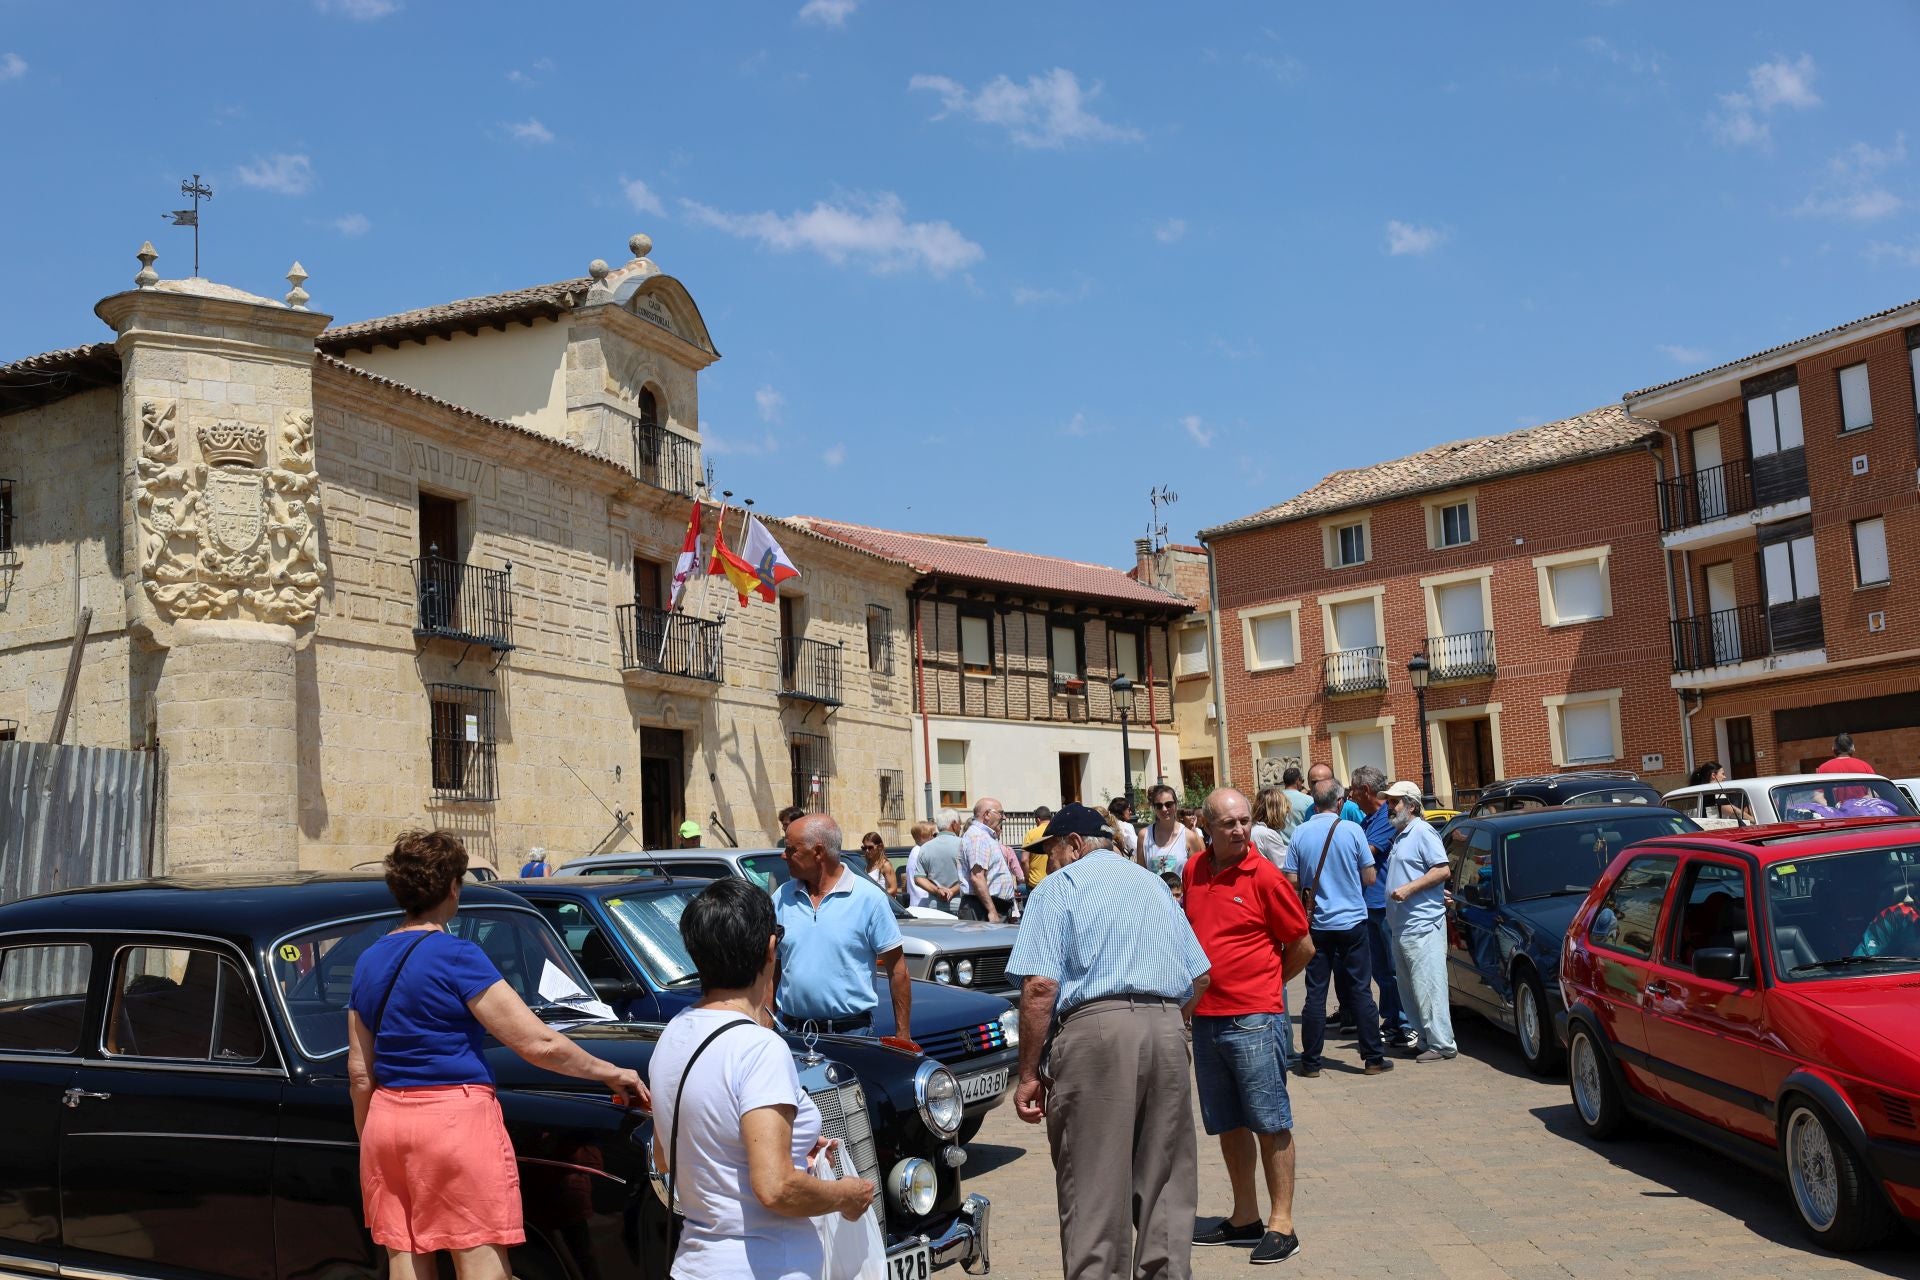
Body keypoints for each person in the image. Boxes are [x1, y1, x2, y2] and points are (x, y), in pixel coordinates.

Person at [347, 830, 648, 1280]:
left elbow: (359, 1072)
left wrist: (372, 1137)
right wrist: (609, 1071)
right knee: (479, 1256)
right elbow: (537, 1044)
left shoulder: (369, 958)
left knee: (406, 1257)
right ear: (452, 887)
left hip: (387, 1120)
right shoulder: (457, 955)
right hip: (453, 1122)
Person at [1007, 803, 1212, 1280]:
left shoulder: (1059, 888)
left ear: (1074, 844)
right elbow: (1199, 975)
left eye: (1051, 851)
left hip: (1096, 1032)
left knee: (1095, 1187)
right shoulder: (1153, 884)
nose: (1048, 862)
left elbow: (1039, 988)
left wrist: (1028, 1075)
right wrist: (1165, 1023)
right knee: (1165, 1183)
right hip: (1166, 1029)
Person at [649, 878, 876, 1279]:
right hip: (767, 1264)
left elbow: (668, 1155)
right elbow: (775, 1187)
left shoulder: (673, 1034)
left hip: (696, 1264)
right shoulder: (759, 1047)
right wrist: (846, 1195)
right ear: (771, 949)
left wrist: (793, 1142)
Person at [1184, 788, 1314, 1265]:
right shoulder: (1194, 870)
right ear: (1206, 826)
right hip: (1207, 1019)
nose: (1239, 830)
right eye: (1228, 824)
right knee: (1227, 1122)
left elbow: (1302, 945)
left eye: (1243, 821)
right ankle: (1244, 1218)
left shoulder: (1265, 876)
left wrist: (1264, 986)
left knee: (1270, 1121)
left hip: (1255, 1019)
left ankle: (1283, 1224)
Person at [773, 814, 916, 1048]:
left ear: (818, 852)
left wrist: (903, 1037)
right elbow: (772, 966)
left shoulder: (869, 899)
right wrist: (766, 1023)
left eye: (791, 850)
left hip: (851, 1037)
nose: (783, 855)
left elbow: (898, 970)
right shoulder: (781, 896)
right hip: (791, 1035)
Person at [1282, 781, 1390, 1076]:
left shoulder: (1301, 833)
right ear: (1339, 801)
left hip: (1316, 923)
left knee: (1315, 993)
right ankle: (1372, 1058)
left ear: (1314, 802)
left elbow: (1290, 879)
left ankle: (1312, 1062)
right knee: (1361, 990)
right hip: (1352, 921)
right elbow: (1369, 877)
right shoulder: (1353, 830)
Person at [1380, 781, 1456, 1062]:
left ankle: (1442, 1043)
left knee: (1428, 985)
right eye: (1389, 801)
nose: (1390, 807)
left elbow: (1442, 869)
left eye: (1395, 802)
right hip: (1404, 926)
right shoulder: (1402, 835)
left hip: (1422, 925)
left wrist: (1409, 889)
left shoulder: (1422, 831)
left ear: (1411, 805)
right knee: (1410, 988)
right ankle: (1425, 1038)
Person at [1349, 765, 1416, 1054]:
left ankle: (1406, 1023)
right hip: (1368, 906)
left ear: (1365, 790)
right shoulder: (1366, 821)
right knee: (1381, 970)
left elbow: (1366, 853)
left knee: (1394, 967)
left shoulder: (1384, 820)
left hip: (1385, 905)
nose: (1351, 795)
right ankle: (1392, 1021)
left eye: (1353, 789)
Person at [1306, 763, 1367, 1030]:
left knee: (1347, 976)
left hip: (1348, 909)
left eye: (1322, 780)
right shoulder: (1309, 814)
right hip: (1326, 914)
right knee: (1327, 983)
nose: (1317, 785)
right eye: (1312, 781)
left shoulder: (1351, 812)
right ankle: (1347, 1016)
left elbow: (1363, 855)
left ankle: (1351, 1015)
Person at [960, 798, 1018, 922]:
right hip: (982, 908)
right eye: (1000, 813)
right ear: (987, 814)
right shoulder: (978, 836)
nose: (1004, 817)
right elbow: (977, 877)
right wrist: (992, 911)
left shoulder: (985, 836)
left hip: (992, 906)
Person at [914, 809, 967, 911]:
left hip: (935, 908)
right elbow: (971, 877)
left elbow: (919, 878)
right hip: (961, 906)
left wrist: (938, 891)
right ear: (954, 824)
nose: (960, 828)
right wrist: (952, 891)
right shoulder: (964, 844)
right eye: (959, 824)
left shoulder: (925, 847)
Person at [1141, 784, 1193, 879]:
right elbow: (1141, 874)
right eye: (1159, 805)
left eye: (1168, 804)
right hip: (1153, 893)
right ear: (1154, 807)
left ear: (1176, 804)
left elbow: (1195, 875)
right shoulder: (1144, 835)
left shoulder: (1189, 836)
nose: (1164, 809)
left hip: (1180, 893)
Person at [1250, 786, 1291, 870]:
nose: (1286, 812)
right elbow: (1283, 867)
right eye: (1285, 809)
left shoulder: (1253, 828)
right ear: (1277, 811)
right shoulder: (1267, 835)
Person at [903, 820, 938, 909]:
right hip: (923, 902)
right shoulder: (922, 852)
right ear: (923, 837)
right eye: (934, 835)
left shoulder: (915, 851)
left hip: (916, 902)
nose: (936, 838)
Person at [858, 831, 899, 897]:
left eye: (870, 847)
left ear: (879, 847)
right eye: (864, 848)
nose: (867, 851)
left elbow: (893, 889)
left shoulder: (885, 865)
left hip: (881, 904)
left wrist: (876, 896)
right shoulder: (867, 865)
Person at [1280, 767, 1313, 842]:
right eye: (1302, 781)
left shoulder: (1273, 800)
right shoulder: (1309, 800)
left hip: (1278, 847)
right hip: (1300, 846)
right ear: (1298, 781)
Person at [1107, 797, 1139, 862]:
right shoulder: (1127, 826)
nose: (1131, 812)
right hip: (1124, 862)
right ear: (1122, 810)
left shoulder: (1107, 824)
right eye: (1129, 809)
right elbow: (1136, 847)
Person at [1024, 820, 1053, 888]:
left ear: (1038, 819)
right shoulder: (1055, 832)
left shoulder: (1031, 833)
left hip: (1035, 882)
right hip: (1052, 881)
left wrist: (1027, 879)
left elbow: (1024, 860)